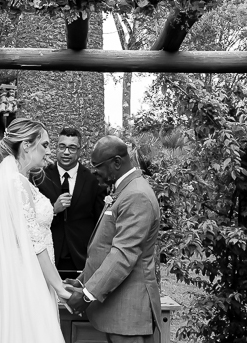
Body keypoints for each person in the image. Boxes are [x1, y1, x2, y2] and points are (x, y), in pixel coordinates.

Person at [65, 136, 162, 343]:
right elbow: (104, 247)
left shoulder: (137, 195)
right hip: (117, 308)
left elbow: (123, 254)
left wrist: (87, 295)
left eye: (98, 166)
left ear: (116, 163)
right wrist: (83, 281)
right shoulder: (125, 190)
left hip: (128, 311)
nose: (94, 171)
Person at [0, 118, 72, 343]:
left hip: (22, 277)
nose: (49, 151)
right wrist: (59, 286)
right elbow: (35, 244)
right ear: (26, 145)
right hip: (29, 281)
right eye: (45, 144)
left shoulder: (13, 179)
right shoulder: (18, 183)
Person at [38, 126, 109, 277]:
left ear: (79, 150)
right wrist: (53, 209)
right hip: (48, 254)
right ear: (56, 147)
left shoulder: (93, 181)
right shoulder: (40, 178)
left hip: (81, 256)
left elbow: (100, 222)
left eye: (71, 148)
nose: (66, 152)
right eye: (62, 146)